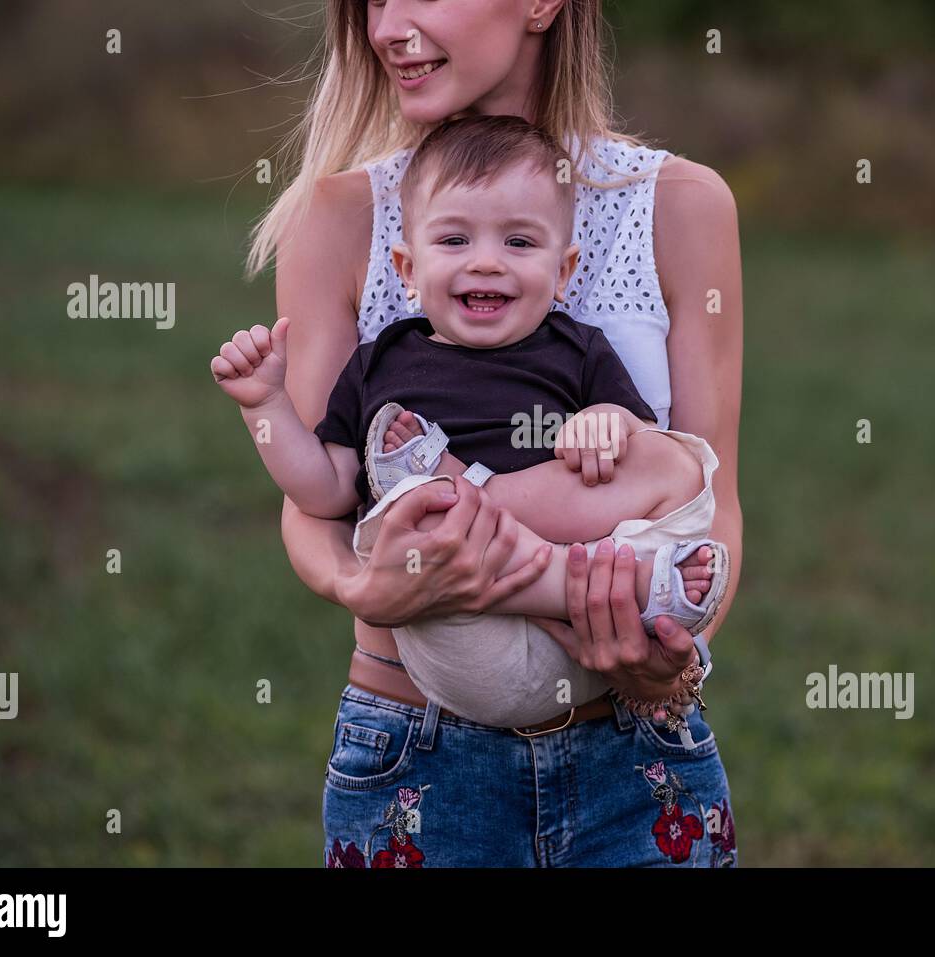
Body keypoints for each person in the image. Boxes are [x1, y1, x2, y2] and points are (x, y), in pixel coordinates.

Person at [244, 0, 743, 867]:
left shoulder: (682, 205)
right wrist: (367, 589)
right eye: (372, 2)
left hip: (634, 752)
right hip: (419, 751)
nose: (388, 26)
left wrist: (674, 663)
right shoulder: (336, 216)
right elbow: (316, 502)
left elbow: (712, 497)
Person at [214, 115, 731, 730]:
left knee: (674, 459)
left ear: (563, 272)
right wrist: (264, 407)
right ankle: (507, 530)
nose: (486, 263)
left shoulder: (578, 349)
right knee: (409, 518)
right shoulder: (381, 363)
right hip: (465, 641)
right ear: (407, 268)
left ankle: (471, 491)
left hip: (586, 639)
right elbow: (324, 492)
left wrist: (604, 421)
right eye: (455, 241)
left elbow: (637, 446)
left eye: (518, 243)